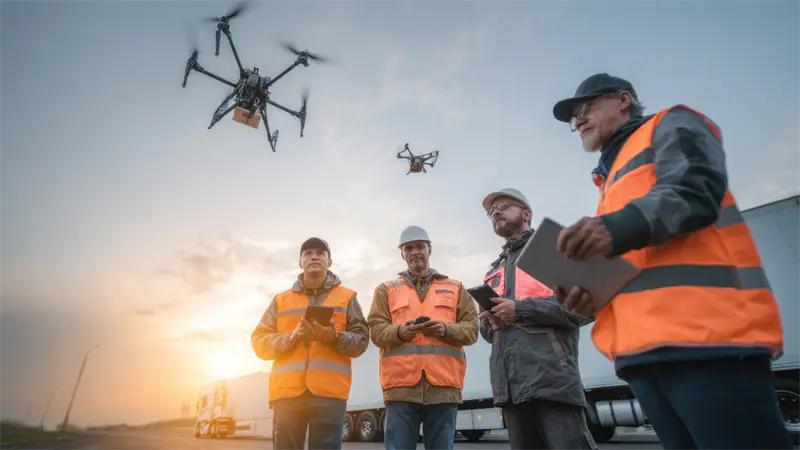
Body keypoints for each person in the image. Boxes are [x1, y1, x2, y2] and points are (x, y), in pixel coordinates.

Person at [550, 72, 792, 450]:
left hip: (708, 342)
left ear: (623, 99)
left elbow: (694, 190)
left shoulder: (670, 123)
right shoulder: (609, 181)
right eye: (572, 119)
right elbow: (642, 264)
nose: (577, 120)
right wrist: (591, 297)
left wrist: (614, 228)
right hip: (641, 356)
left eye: (584, 108)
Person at [478, 188, 598, 450]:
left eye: (504, 206)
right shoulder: (493, 271)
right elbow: (485, 332)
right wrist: (491, 324)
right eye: (491, 211)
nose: (496, 213)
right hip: (510, 390)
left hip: (552, 382)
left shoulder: (550, 252)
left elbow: (584, 307)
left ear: (526, 214)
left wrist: (520, 310)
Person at [250, 237, 369, 450]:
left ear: (329, 261)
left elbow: (361, 341)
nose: (314, 257)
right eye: (308, 254)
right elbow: (258, 342)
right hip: (287, 395)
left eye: (320, 253)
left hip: (329, 394)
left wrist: (334, 338)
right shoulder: (280, 300)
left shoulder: (347, 298)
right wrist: (290, 338)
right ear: (300, 262)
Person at [367, 225, 479, 450]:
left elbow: (472, 330)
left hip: (444, 388)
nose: (415, 252)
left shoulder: (456, 288)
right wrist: (400, 332)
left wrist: (444, 330)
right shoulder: (385, 290)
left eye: (420, 246)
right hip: (401, 388)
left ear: (430, 250)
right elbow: (376, 331)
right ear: (402, 254)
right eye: (409, 248)